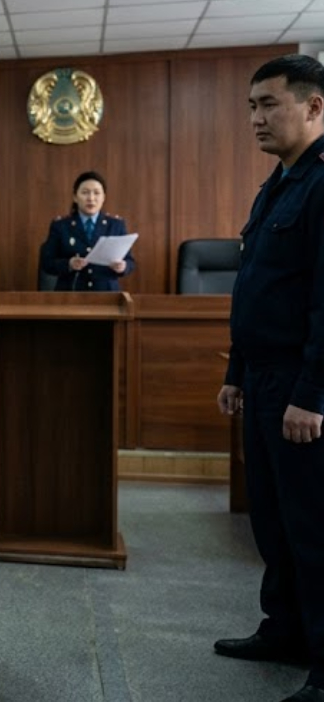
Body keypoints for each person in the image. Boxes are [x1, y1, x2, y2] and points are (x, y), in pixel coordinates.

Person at [215, 53, 324, 702]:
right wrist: (236, 370)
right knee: (273, 519)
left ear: (314, 107)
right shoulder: (277, 185)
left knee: (313, 526)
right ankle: (284, 629)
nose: (256, 118)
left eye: (269, 105)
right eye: (252, 106)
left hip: (299, 385)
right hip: (261, 377)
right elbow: (257, 290)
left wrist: (313, 394)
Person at [40, 170, 135, 291]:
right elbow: (47, 263)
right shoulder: (60, 226)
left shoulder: (116, 225)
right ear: (75, 197)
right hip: (70, 294)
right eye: (85, 193)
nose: (91, 198)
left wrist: (123, 266)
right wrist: (69, 264)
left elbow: (130, 261)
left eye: (96, 193)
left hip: (107, 294)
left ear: (103, 197)